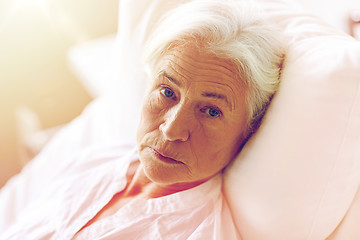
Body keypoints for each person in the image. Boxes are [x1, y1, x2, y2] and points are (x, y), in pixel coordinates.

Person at [0, 0, 283, 239]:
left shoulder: (194, 232)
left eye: (210, 111)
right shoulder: (97, 159)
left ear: (247, 130)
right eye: (167, 92)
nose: (172, 129)